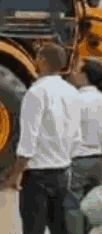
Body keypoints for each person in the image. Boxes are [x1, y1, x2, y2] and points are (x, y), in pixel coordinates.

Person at [2, 44, 83, 234]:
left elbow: (28, 139)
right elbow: (77, 137)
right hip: (62, 172)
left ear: (42, 61)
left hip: (37, 176)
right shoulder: (72, 92)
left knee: (33, 228)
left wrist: (15, 174)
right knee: (60, 227)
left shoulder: (37, 92)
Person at [69, 58, 102, 234]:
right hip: (99, 161)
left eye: (76, 70)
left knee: (73, 207)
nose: (72, 73)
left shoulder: (73, 100)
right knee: (92, 204)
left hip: (77, 161)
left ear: (84, 75)